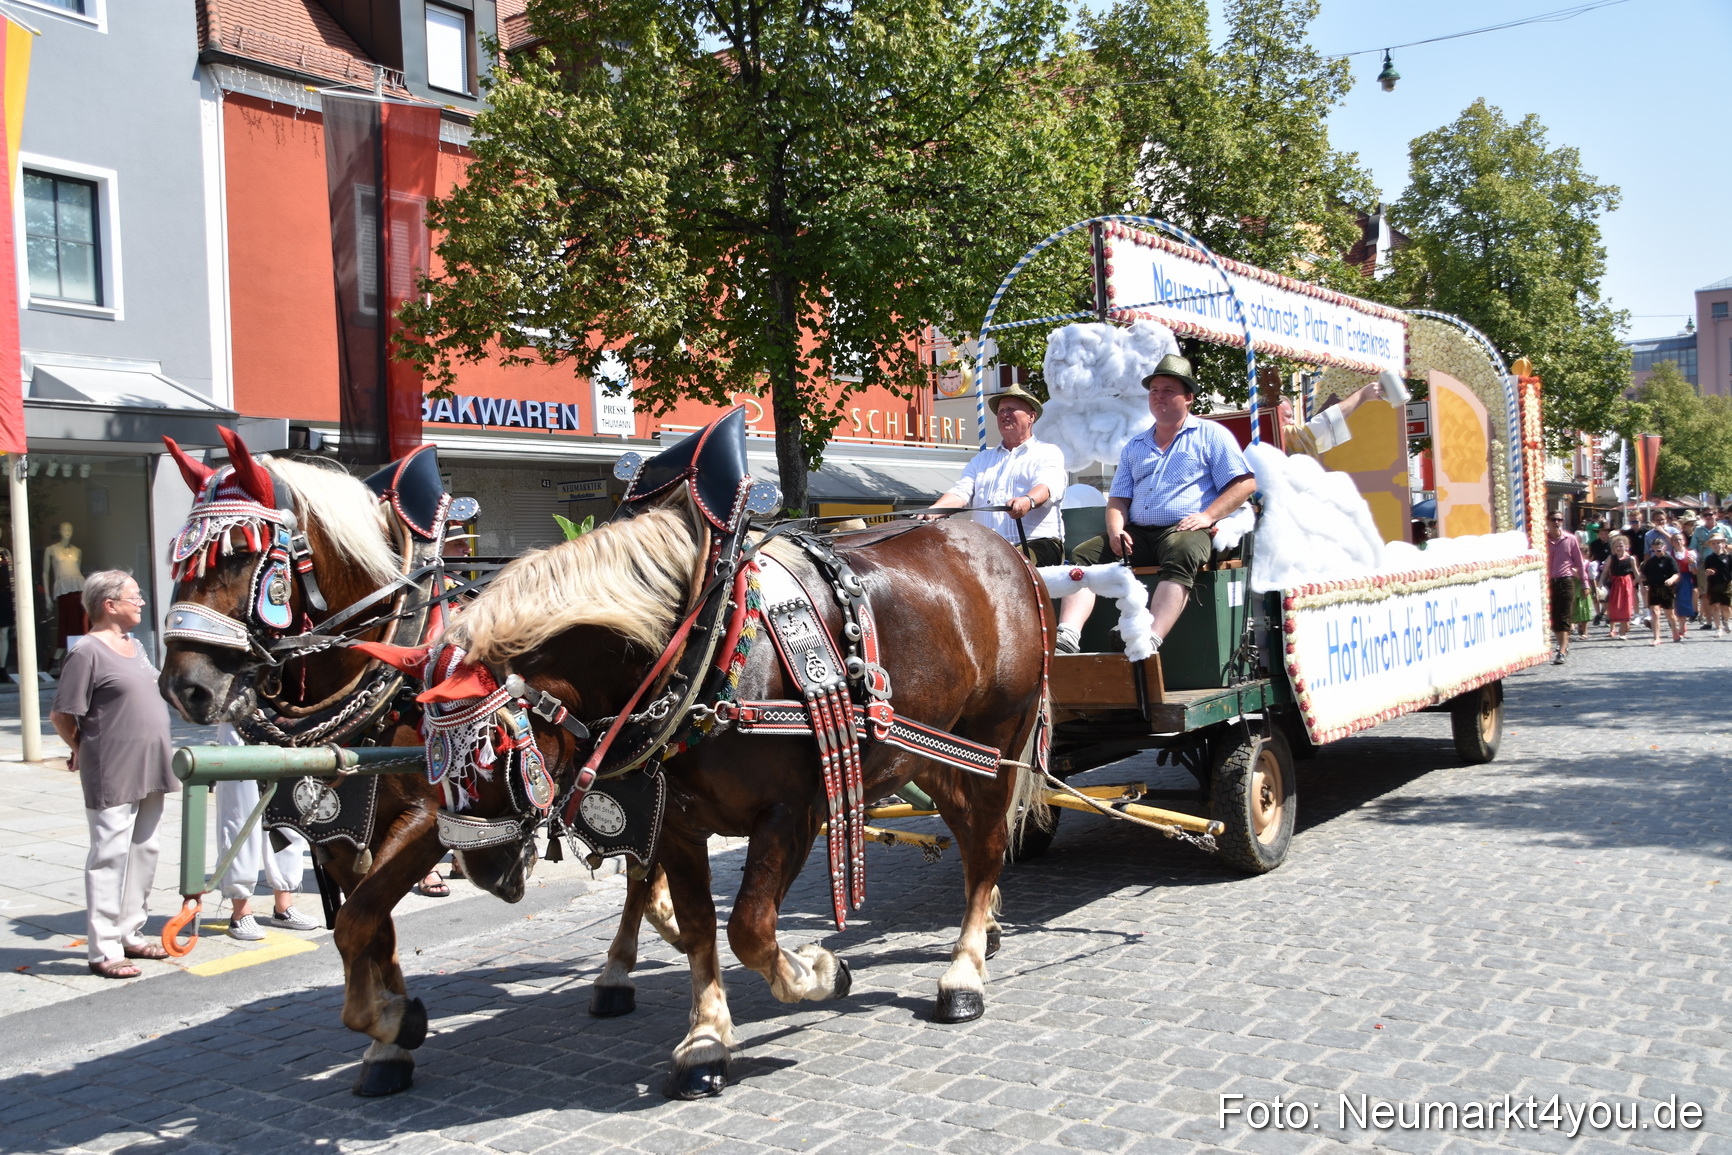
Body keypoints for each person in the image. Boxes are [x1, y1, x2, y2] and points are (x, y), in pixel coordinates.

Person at [1055, 354, 1256, 655]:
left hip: (1183, 529)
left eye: (1167, 390)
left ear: (1188, 398)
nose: (1159, 396)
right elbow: (1118, 499)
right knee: (1083, 555)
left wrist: (1207, 516)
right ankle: (1068, 634)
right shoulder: (1136, 445)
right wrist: (1115, 531)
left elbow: (1245, 484)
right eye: (1154, 390)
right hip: (1138, 533)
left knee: (1182, 550)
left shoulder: (1211, 435)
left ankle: (1148, 636)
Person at [49, 571, 178, 979]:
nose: (141, 602)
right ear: (109, 604)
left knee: (145, 850)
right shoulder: (86, 651)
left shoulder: (135, 645)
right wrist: (81, 750)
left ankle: (131, 932)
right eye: (134, 596)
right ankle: (103, 949)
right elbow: (61, 713)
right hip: (112, 766)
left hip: (151, 762)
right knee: (109, 856)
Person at [925, 384, 1068, 566]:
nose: (1004, 415)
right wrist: (934, 511)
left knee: (1003, 564)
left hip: (1038, 545)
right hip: (986, 548)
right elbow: (961, 492)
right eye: (1000, 411)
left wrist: (1027, 501)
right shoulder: (981, 460)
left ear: (1031, 416)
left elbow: (1046, 486)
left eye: (1011, 409)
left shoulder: (1047, 452)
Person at [212, 723, 319, 940]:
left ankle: (284, 905)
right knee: (240, 815)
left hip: (283, 716)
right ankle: (240, 911)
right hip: (240, 716)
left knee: (288, 812)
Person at [1545, 512, 1586, 664]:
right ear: (1548, 521)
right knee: (1553, 616)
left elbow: (1580, 563)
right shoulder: (1542, 540)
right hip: (1547, 582)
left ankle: (1562, 649)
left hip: (1565, 580)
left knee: (1563, 615)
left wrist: (1584, 584)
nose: (1557, 522)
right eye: (1554, 519)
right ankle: (1562, 643)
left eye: (1560, 519)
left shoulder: (1570, 539)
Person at [1641, 536, 1682, 646]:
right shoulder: (1650, 562)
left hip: (1666, 589)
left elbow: (1676, 574)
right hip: (1653, 589)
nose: (1656, 552)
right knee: (1655, 613)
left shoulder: (1669, 560)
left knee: (1670, 615)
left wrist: (1671, 580)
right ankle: (1657, 637)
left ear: (1664, 548)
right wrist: (1642, 584)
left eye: (1658, 550)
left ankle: (1675, 632)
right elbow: (1644, 575)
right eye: (1653, 550)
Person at [1599, 535, 1637, 640]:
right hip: (1615, 583)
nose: (1618, 548)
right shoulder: (1611, 558)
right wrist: (1600, 583)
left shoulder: (1631, 558)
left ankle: (1622, 632)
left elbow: (1636, 574)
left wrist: (1636, 584)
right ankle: (1612, 629)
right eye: (1616, 546)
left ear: (1626, 546)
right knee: (1613, 605)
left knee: (1626, 606)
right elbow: (1605, 571)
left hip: (1626, 583)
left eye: (1621, 546)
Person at [1703, 536, 1732, 636]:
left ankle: (1726, 620)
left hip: (1726, 584)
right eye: (1713, 543)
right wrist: (1707, 571)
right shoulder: (1709, 558)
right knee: (1715, 607)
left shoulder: (1729, 557)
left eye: (1718, 543)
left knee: (1726, 607)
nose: (1716, 545)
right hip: (1713, 584)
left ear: (1723, 544)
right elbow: (1705, 570)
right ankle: (1718, 627)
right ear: (1710, 545)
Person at [1670, 522, 1698, 627]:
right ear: (1672, 542)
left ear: (1684, 541)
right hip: (1672, 578)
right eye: (1675, 540)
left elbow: (1695, 572)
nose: (1678, 541)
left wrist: (1691, 564)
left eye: (1680, 539)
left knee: (1683, 602)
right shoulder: (1669, 554)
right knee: (1672, 602)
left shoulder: (1691, 553)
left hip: (1686, 578)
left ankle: (1682, 626)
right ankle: (1674, 622)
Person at [1586, 524, 1611, 625]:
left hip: (1609, 571)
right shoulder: (1593, 544)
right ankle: (1599, 613)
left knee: (1608, 595)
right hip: (1596, 571)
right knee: (1597, 594)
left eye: (1605, 533)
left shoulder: (1611, 544)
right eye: (1601, 533)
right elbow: (1590, 557)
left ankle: (1604, 615)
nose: (1603, 535)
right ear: (1598, 535)